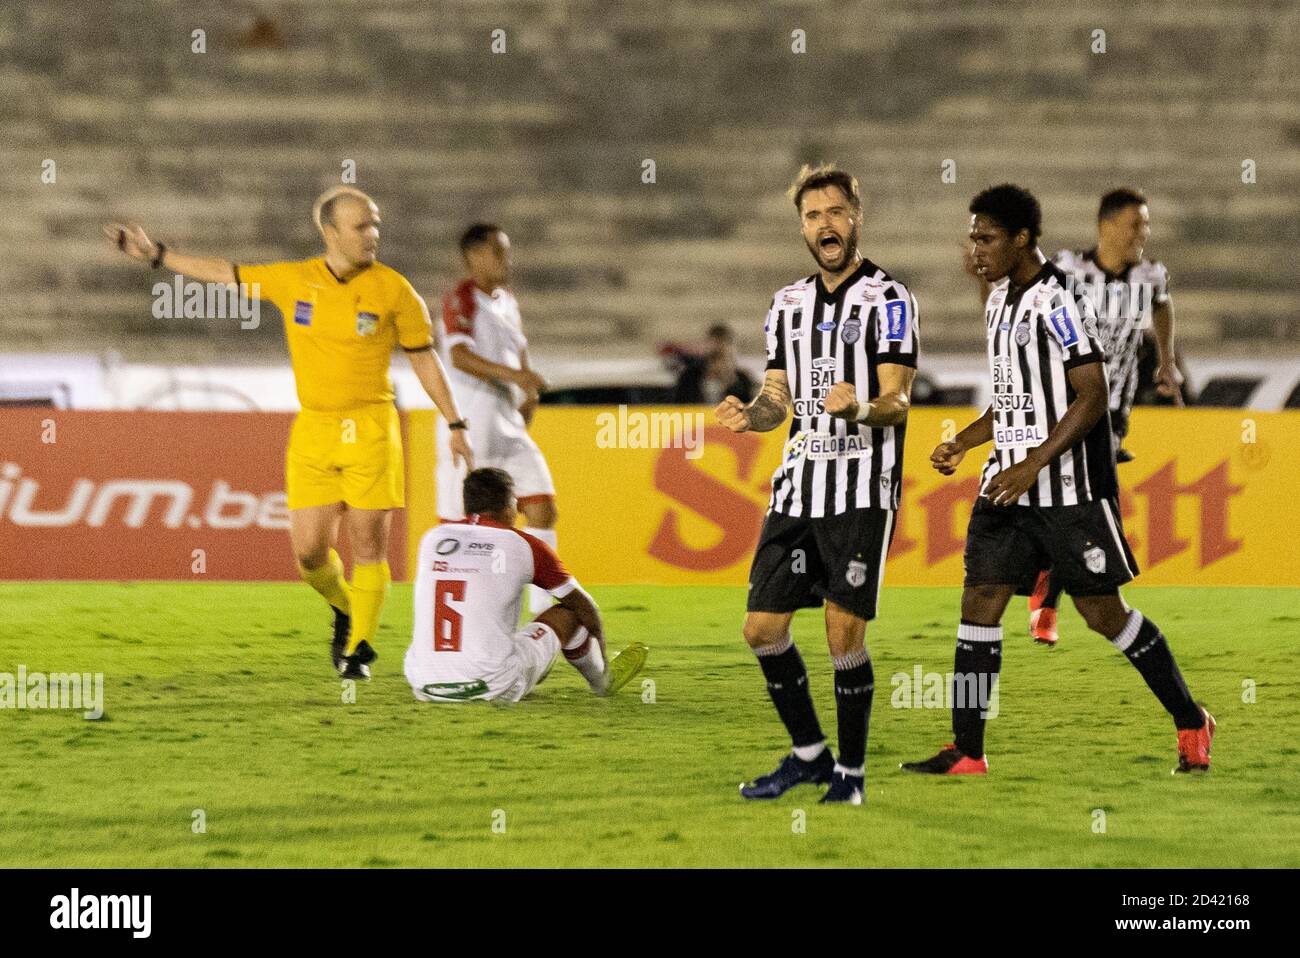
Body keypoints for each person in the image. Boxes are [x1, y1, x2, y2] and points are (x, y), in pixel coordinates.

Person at [902, 184, 1214, 777]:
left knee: (1104, 615)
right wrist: (965, 444)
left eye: (986, 238)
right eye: (972, 238)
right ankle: (968, 750)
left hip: (1067, 492)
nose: (976, 250)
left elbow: (1091, 397)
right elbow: (1014, 401)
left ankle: (1191, 719)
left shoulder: (1060, 301)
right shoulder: (998, 302)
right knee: (979, 604)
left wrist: (1032, 465)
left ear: (1022, 238)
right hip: (1006, 487)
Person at [104, 186, 473, 680]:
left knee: (368, 546)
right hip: (315, 428)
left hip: (371, 428)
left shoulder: (396, 291)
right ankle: (345, 609)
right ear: (330, 232)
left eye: (375, 224)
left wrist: (454, 422)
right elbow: (224, 273)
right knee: (309, 554)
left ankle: (359, 648)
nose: (373, 234)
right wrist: (158, 256)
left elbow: (425, 360)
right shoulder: (294, 280)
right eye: (361, 226)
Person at [716, 163, 919, 805]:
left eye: (834, 212)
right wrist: (752, 417)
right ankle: (810, 755)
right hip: (799, 486)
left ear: (855, 217)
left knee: (841, 633)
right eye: (812, 216)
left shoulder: (888, 299)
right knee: (761, 629)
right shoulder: (786, 305)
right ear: (802, 227)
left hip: (861, 488)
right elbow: (778, 397)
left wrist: (856, 408)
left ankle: (851, 777)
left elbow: (898, 401)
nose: (824, 225)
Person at [404, 468, 648, 702]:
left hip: (424, 684)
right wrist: (603, 649)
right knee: (571, 612)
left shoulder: (432, 538)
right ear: (508, 505)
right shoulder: (524, 545)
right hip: (492, 686)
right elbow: (585, 606)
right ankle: (603, 680)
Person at [437, 224, 557, 614]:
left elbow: (520, 358)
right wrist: (518, 377)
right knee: (461, 525)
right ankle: (459, 609)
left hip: (508, 426)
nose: (507, 260)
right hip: (471, 424)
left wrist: (530, 395)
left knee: (542, 506)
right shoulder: (461, 298)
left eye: (506, 251)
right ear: (473, 256)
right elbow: (460, 357)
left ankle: (543, 611)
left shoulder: (508, 302)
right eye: (497, 252)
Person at [668, 324, 758, 405]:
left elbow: (748, 410)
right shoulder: (689, 377)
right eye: (714, 358)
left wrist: (731, 383)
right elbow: (679, 407)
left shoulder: (742, 380)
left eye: (722, 357)